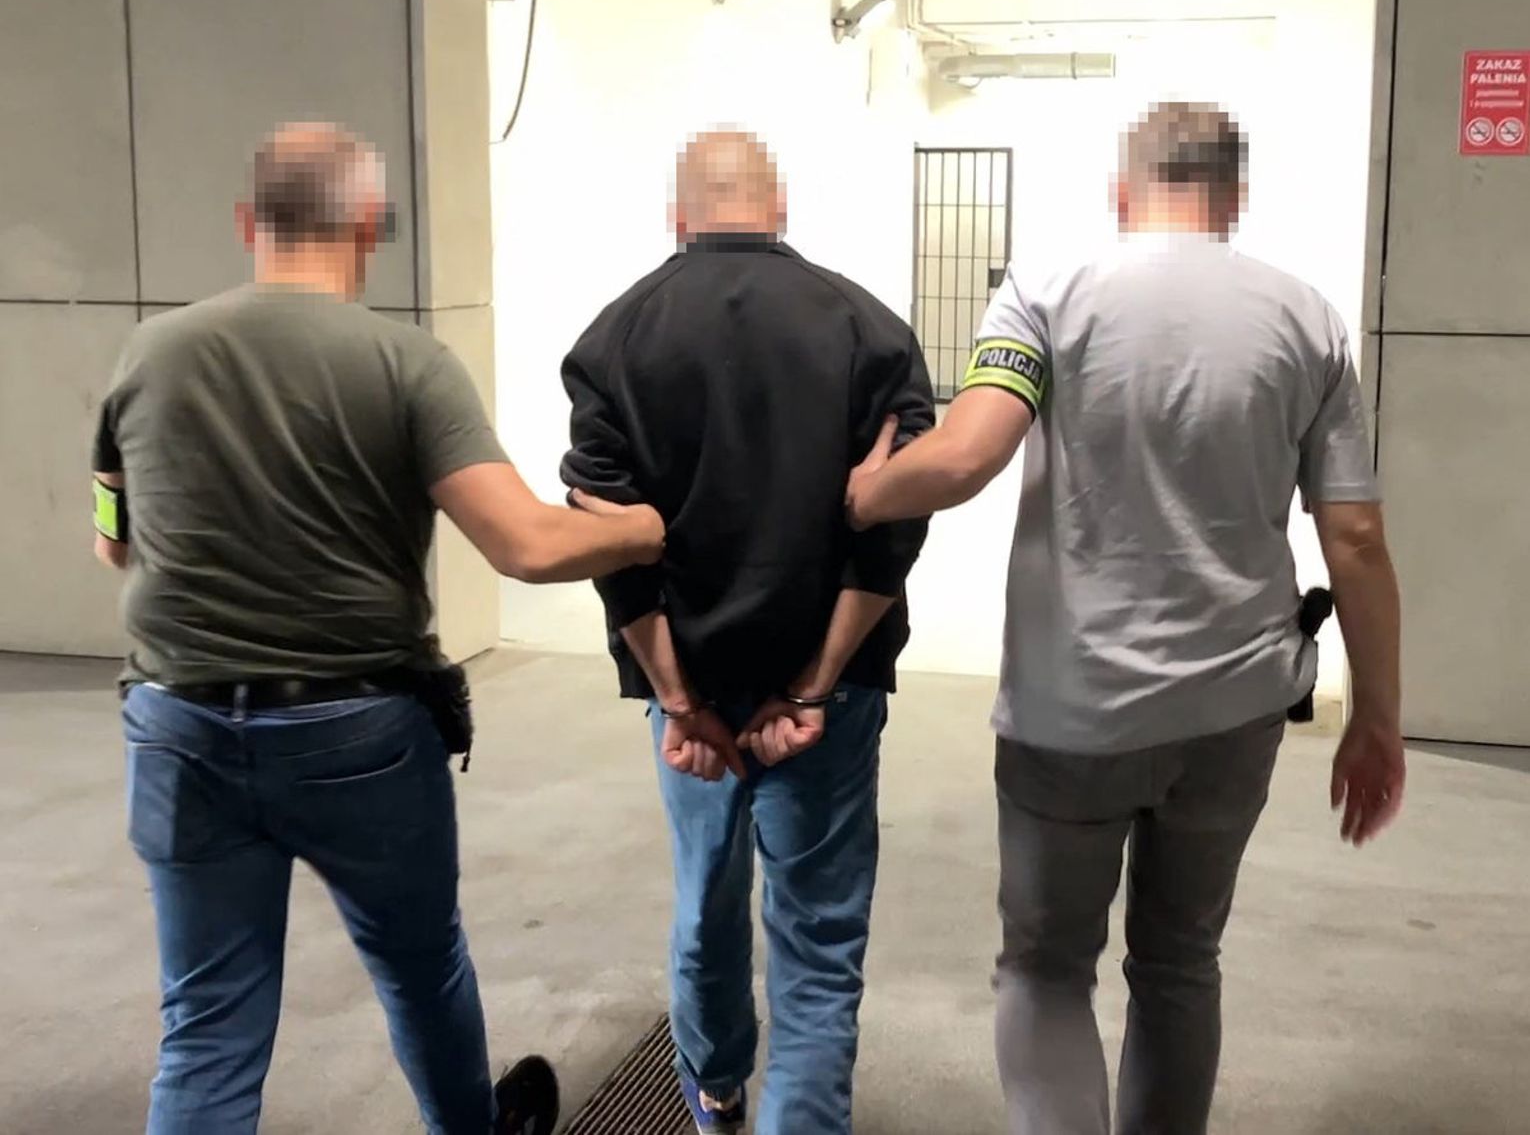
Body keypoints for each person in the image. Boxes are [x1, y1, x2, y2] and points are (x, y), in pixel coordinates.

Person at [845, 102, 1408, 1135]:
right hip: (1235, 708)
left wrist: (864, 493)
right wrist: (1377, 716)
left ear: (1122, 188)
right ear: (1235, 196)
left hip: (1073, 709)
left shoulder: (1047, 292)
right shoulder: (1311, 320)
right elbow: (1358, 537)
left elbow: (966, 456)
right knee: (1182, 959)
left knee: (1046, 968)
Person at [91, 122, 663, 1135]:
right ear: (370, 224)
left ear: (248, 223)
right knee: (417, 964)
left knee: (207, 1024)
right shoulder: (406, 363)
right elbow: (525, 544)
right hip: (355, 733)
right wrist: (644, 527)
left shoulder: (149, 352)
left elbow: (115, 542)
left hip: (179, 729)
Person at [558, 129, 934, 1135]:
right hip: (830, 694)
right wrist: (812, 682)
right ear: (782, 211)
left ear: (677, 217)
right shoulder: (870, 328)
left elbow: (607, 541)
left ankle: (716, 1087)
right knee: (817, 941)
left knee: (706, 901)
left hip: (690, 692)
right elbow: (896, 528)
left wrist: (678, 698)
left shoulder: (614, 338)